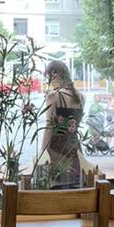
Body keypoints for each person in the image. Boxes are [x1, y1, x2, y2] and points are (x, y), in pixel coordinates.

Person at [36, 60, 83, 188]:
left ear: (54, 74)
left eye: (48, 77)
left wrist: (42, 153)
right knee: (73, 188)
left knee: (54, 189)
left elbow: (49, 127)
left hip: (56, 150)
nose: (48, 82)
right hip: (74, 150)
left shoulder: (54, 96)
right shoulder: (80, 97)